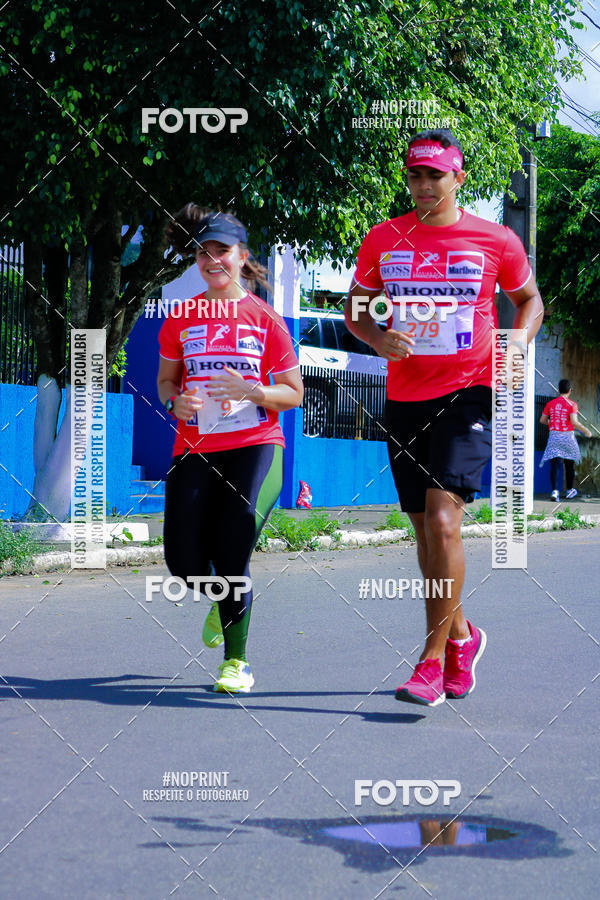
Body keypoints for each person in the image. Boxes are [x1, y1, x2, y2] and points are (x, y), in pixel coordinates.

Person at [345, 129, 544, 707]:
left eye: (436, 175)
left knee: (443, 523)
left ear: (459, 178)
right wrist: (378, 339)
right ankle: (462, 636)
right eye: (415, 175)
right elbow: (357, 310)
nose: (424, 185)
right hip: (406, 399)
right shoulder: (383, 240)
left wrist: (515, 344)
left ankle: (430, 662)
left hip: (470, 393)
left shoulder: (496, 239)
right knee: (424, 534)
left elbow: (530, 300)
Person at [157, 207, 303, 693]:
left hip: (256, 446)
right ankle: (225, 604)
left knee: (234, 536)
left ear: (242, 257)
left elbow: (293, 392)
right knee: (182, 562)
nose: (212, 259)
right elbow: (164, 383)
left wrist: (253, 392)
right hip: (195, 448)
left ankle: (236, 664)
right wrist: (175, 400)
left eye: (221, 250)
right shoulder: (181, 318)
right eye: (203, 251)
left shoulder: (266, 320)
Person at [540, 379, 591, 500]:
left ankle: (554, 492)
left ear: (559, 390)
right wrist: (586, 431)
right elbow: (574, 422)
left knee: (555, 465)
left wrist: (553, 424)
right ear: (569, 390)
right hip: (568, 437)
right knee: (569, 465)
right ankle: (569, 490)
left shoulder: (550, 403)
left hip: (554, 437)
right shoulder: (572, 404)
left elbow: (542, 420)